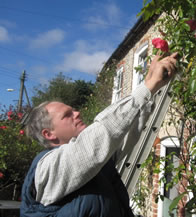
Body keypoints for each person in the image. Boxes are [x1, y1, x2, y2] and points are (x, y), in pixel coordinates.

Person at [20, 52, 178, 217]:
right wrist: (148, 86)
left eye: (73, 110)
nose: (77, 113)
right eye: (67, 115)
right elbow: (100, 136)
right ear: (49, 134)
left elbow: (124, 132)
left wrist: (151, 83)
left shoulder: (97, 157)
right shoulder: (47, 167)